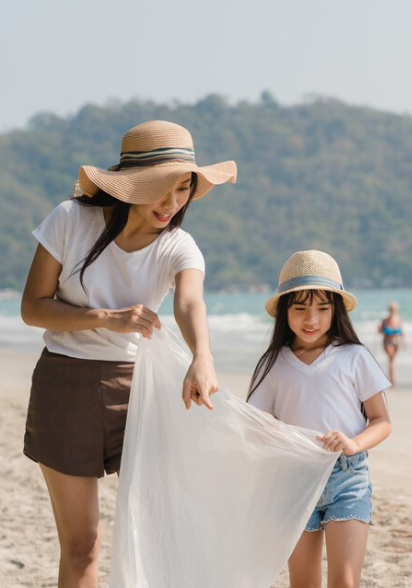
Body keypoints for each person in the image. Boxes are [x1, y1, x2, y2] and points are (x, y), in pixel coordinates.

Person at [20, 120, 237, 587]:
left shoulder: (179, 246)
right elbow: (32, 307)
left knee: (159, 532)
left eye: (183, 188)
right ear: (132, 183)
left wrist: (202, 356)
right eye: (161, 187)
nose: (172, 203)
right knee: (83, 544)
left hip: (139, 391)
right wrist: (105, 317)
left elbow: (189, 302)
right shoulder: (69, 219)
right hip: (64, 388)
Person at [247, 250, 391, 588]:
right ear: (285, 311)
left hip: (348, 477)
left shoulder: (354, 356)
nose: (311, 319)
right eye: (300, 309)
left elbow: (381, 421)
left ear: (336, 310)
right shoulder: (273, 363)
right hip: (294, 480)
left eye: (323, 309)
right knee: (304, 583)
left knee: (345, 582)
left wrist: (353, 443)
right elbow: (256, 423)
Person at [378, 301, 404, 387]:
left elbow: (402, 332)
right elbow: (380, 331)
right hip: (388, 341)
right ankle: (393, 382)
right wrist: (380, 329)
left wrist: (403, 341)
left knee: (392, 361)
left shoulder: (398, 319)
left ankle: (391, 381)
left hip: (395, 341)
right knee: (392, 361)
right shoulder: (385, 320)